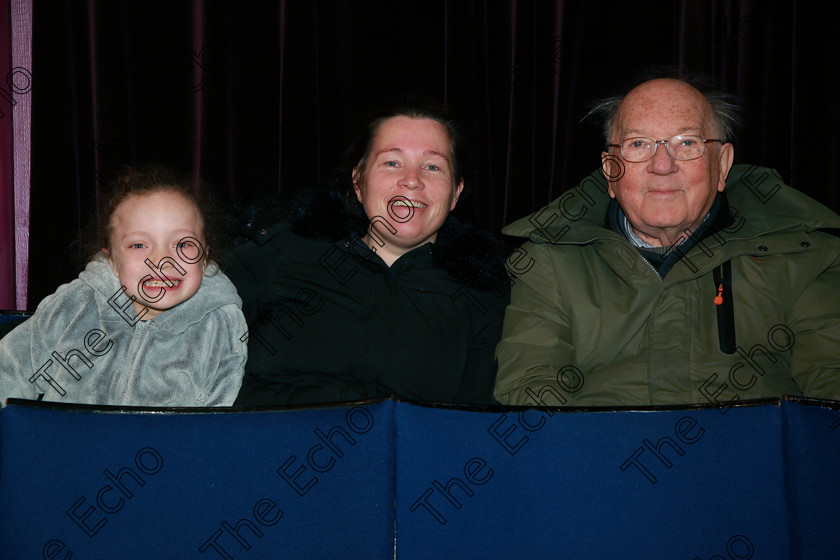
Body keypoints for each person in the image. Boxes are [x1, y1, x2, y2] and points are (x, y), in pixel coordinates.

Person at [494, 75, 840, 407]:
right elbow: (531, 394)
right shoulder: (547, 264)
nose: (662, 165)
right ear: (610, 172)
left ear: (722, 166)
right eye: (638, 144)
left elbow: (829, 392)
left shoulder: (805, 257)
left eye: (687, 142)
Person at [229, 103, 509, 406]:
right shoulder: (281, 251)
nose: (412, 180)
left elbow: (471, 426)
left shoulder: (482, 298)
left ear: (456, 192)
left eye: (432, 166)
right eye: (392, 162)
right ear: (358, 182)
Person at [0, 167, 247, 406]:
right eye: (139, 245)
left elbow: (215, 417)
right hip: (64, 445)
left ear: (203, 259)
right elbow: (9, 370)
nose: (162, 261)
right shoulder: (75, 305)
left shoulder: (219, 323)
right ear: (112, 262)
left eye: (183, 244)